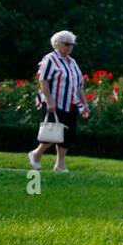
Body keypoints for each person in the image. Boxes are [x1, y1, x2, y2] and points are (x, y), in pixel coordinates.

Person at [27, 30, 89, 173]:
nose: (70, 47)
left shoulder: (72, 62)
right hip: (55, 102)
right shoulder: (50, 59)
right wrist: (49, 101)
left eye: (72, 44)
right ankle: (37, 153)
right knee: (52, 133)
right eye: (67, 44)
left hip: (71, 103)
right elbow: (43, 81)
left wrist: (84, 104)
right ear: (57, 44)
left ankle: (60, 164)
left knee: (68, 135)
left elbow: (79, 85)